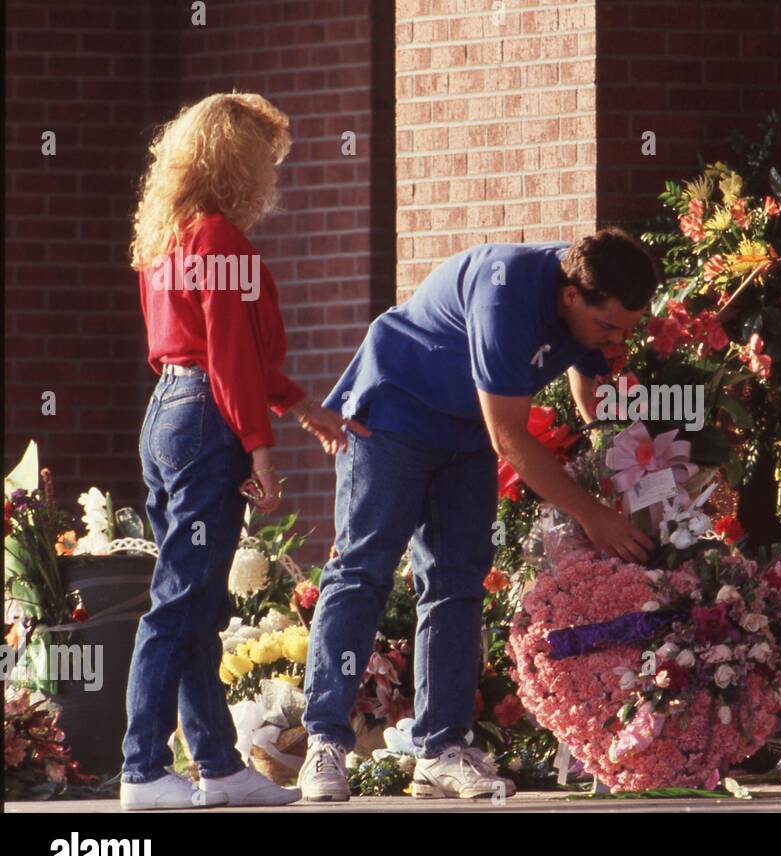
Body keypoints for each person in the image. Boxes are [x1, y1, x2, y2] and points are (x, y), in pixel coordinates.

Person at [298, 229, 658, 801]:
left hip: (463, 432)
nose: (616, 339)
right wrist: (593, 515)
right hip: (392, 417)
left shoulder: (592, 283)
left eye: (625, 328)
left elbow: (586, 379)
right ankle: (324, 744)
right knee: (363, 572)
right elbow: (509, 435)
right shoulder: (506, 292)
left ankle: (439, 751)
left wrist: (611, 453)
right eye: (609, 327)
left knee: (456, 583)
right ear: (570, 297)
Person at [122, 93, 365, 810]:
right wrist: (260, 446)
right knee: (178, 603)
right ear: (239, 160)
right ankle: (140, 768)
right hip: (205, 418)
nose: (271, 174)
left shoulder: (166, 238)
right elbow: (229, 357)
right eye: (263, 157)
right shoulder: (220, 239)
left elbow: (210, 353)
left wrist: (302, 407)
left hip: (168, 411)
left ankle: (218, 766)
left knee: (192, 603)